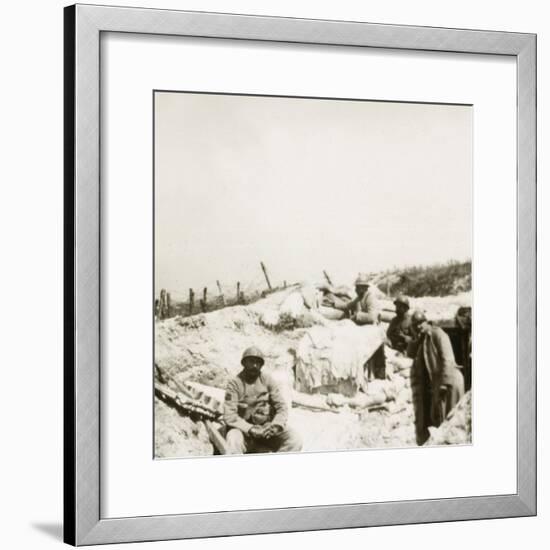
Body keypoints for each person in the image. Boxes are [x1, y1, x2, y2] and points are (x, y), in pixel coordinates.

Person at [224, 346, 302, 455]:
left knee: (294, 439)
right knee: (233, 439)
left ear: (261, 365)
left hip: (266, 430)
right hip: (243, 431)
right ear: (244, 363)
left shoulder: (268, 380)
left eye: (258, 363)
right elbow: (229, 416)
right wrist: (250, 428)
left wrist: (275, 425)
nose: (254, 366)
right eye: (251, 361)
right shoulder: (234, 384)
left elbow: (282, 407)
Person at [407, 311, 465, 445]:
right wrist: (415, 337)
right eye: (415, 326)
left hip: (451, 381)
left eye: (420, 324)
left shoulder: (438, 334)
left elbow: (447, 359)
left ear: (426, 322)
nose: (418, 327)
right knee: (443, 419)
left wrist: (444, 384)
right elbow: (411, 352)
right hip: (440, 383)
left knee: (452, 419)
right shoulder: (424, 337)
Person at [337, 273, 385, 380]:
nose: (356, 290)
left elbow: (372, 317)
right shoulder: (359, 298)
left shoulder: (370, 298)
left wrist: (357, 316)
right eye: (356, 287)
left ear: (364, 287)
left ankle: (373, 373)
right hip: (362, 328)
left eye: (358, 287)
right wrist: (334, 304)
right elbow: (347, 305)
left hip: (372, 328)